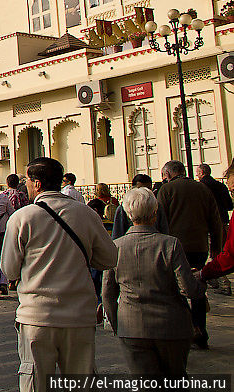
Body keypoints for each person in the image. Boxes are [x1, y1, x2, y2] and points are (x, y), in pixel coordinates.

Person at [1, 157, 117, 392]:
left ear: (37, 184)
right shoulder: (86, 214)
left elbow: (9, 269)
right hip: (79, 316)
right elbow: (109, 259)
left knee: (36, 381)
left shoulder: (23, 217)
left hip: (37, 316)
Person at [102, 187, 205, 376]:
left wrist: (118, 324)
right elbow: (188, 289)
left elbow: (108, 293)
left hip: (132, 326)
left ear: (127, 213)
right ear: (155, 213)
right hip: (171, 325)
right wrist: (200, 282)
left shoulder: (116, 247)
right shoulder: (170, 244)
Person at [157, 160, 223, 349]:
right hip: (199, 247)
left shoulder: (167, 190)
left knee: (174, 289)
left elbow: (161, 220)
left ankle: (182, 331)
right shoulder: (202, 189)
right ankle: (200, 329)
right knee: (197, 289)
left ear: (168, 174)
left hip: (174, 248)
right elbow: (215, 219)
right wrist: (216, 248)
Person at [197, 163, 232, 295]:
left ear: (201, 173)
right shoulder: (221, 186)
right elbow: (229, 205)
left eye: (197, 173)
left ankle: (223, 283)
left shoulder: (201, 187)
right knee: (220, 250)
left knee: (214, 253)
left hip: (209, 224)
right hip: (222, 222)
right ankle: (215, 280)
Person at [112, 174, 170, 239]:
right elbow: (117, 233)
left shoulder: (157, 206)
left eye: (148, 189)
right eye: (140, 189)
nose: (144, 193)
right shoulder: (123, 208)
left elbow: (164, 229)